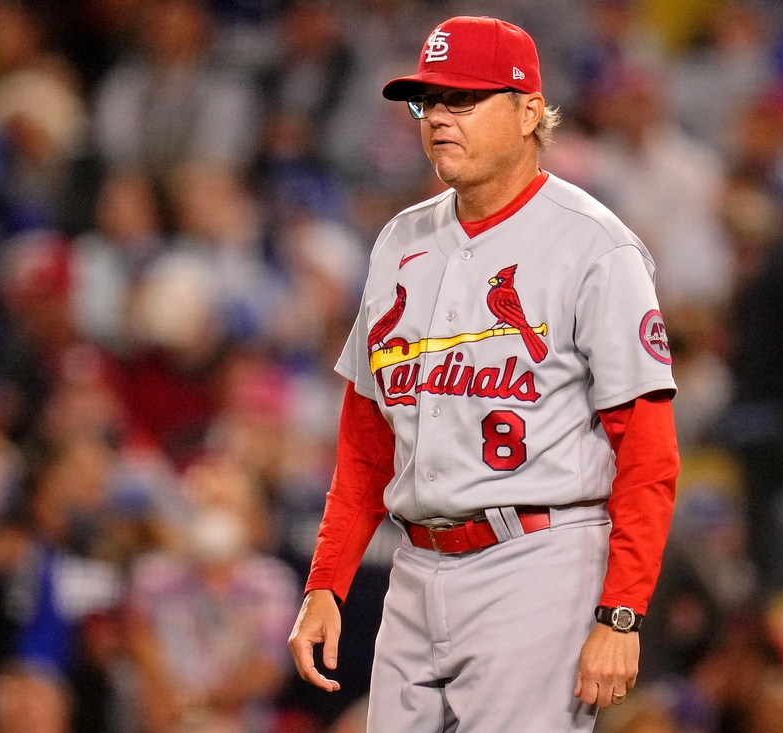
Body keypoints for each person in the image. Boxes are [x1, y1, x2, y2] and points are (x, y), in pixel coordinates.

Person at [288, 15, 680, 732]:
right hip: (414, 567)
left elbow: (649, 451)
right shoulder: (401, 239)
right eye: (427, 101)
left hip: (538, 562)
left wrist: (621, 613)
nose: (438, 117)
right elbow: (366, 443)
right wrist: (327, 583)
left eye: (462, 99)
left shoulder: (593, 246)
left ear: (530, 110)